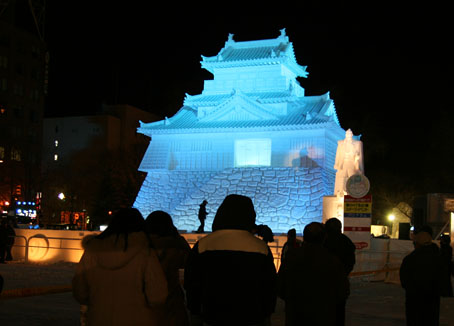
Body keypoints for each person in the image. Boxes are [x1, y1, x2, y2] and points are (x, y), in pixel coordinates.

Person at [184, 194, 277, 326]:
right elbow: (269, 288)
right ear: (250, 216)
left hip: (212, 317)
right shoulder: (261, 248)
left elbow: (192, 284)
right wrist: (266, 315)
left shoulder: (203, 245)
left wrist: (195, 312)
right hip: (251, 317)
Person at [72, 207, 168, 326]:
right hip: (138, 319)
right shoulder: (145, 252)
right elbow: (157, 296)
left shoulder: (92, 250)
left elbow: (80, 291)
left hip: (99, 318)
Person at [278, 222, 348, 326]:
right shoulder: (332, 260)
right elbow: (343, 291)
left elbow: (280, 285)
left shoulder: (292, 257)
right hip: (323, 316)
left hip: (296, 315)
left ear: (305, 237)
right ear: (324, 238)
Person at [145, 210, 191, 326]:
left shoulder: (140, 245)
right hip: (172, 302)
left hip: (144, 302)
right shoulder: (177, 246)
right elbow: (190, 264)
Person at [400, 228, 443, 326]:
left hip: (414, 299)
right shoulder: (438, 257)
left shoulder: (410, 259)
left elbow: (404, 280)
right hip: (432, 298)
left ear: (417, 244)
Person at [323, 217, 356, 326]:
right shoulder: (346, 242)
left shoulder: (323, 243)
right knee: (339, 315)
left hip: (322, 286)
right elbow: (351, 263)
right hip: (340, 285)